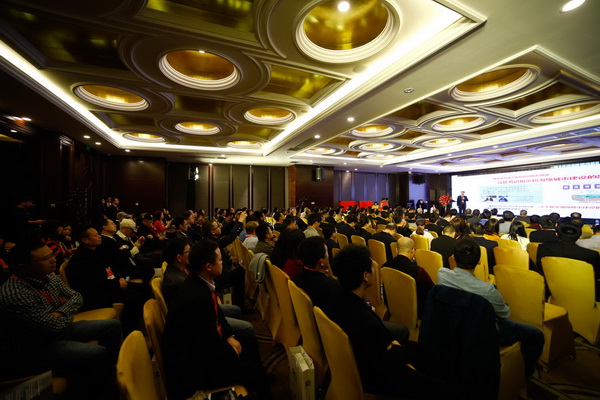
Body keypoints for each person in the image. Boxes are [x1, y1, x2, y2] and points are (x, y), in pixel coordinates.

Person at [0, 240, 122, 400]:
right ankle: (101, 392)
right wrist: (65, 312)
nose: (53, 260)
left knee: (113, 325)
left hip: (58, 330)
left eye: (52, 255)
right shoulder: (15, 294)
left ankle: (109, 371)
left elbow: (77, 297)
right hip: (34, 347)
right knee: (97, 352)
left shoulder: (48, 277)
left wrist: (59, 312)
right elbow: (52, 327)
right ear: (23, 267)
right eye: (45, 258)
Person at [326, 244, 444, 398]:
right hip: (380, 377)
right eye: (371, 266)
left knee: (424, 351)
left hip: (371, 357)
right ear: (366, 276)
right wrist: (395, 348)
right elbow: (383, 365)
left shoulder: (338, 295)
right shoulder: (365, 321)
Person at [163, 240, 271, 400]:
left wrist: (229, 336)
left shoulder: (199, 282)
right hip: (195, 372)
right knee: (258, 373)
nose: (222, 262)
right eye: (220, 260)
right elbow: (207, 346)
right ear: (208, 266)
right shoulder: (195, 298)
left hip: (203, 353)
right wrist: (232, 351)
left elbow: (218, 315)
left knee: (246, 345)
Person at [437, 237, 544, 377]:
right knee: (536, 335)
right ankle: (524, 374)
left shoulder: (442, 274)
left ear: (453, 258)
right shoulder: (487, 290)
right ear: (479, 261)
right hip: (484, 332)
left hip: (452, 325)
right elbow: (505, 313)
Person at [537, 222, 600, 299]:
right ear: (579, 236)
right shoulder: (591, 255)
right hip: (582, 293)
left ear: (556, 234)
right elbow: (596, 276)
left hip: (548, 290)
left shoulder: (543, 248)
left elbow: (539, 268)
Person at [382, 237, 434, 317]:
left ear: (396, 250)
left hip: (393, 308)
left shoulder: (385, 266)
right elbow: (432, 291)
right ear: (413, 250)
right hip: (416, 313)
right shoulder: (418, 271)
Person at [295, 236, 340, 309]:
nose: (328, 255)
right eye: (327, 252)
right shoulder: (332, 286)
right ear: (321, 262)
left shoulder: (301, 274)